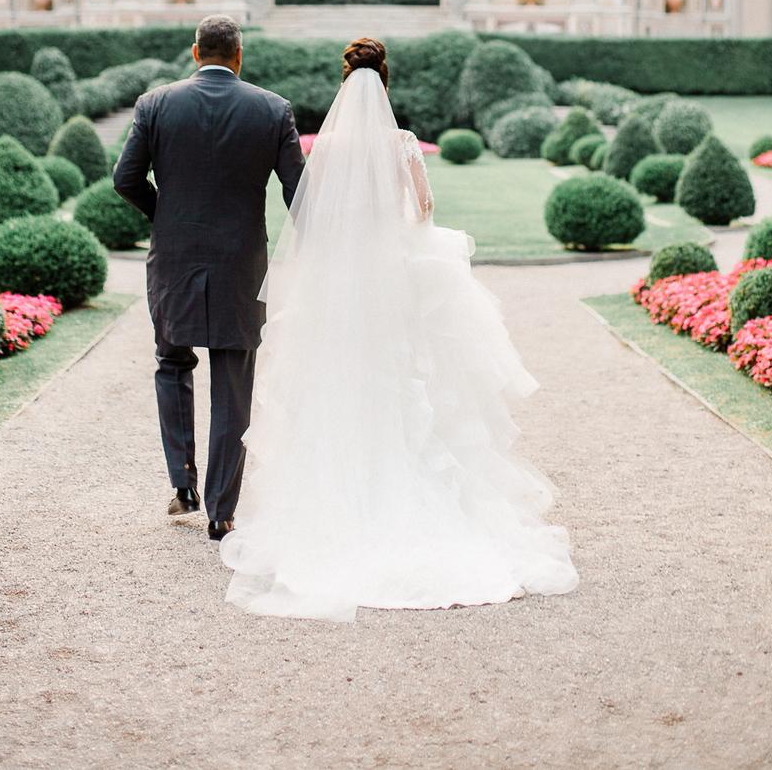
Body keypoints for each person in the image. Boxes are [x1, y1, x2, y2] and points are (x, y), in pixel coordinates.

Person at [219, 36, 578, 620]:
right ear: (385, 81)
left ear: (344, 80)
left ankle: (339, 501)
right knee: (406, 376)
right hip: (392, 272)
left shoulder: (329, 144)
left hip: (344, 279)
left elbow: (311, 210)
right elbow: (425, 208)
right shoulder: (402, 143)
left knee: (342, 378)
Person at [113, 13, 304, 541]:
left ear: (195, 53)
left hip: (174, 258)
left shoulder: (155, 104)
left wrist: (165, 215)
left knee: (171, 362)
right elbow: (300, 195)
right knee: (233, 381)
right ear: (239, 58)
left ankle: (183, 485)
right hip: (241, 263)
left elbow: (124, 178)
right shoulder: (272, 109)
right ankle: (222, 511)